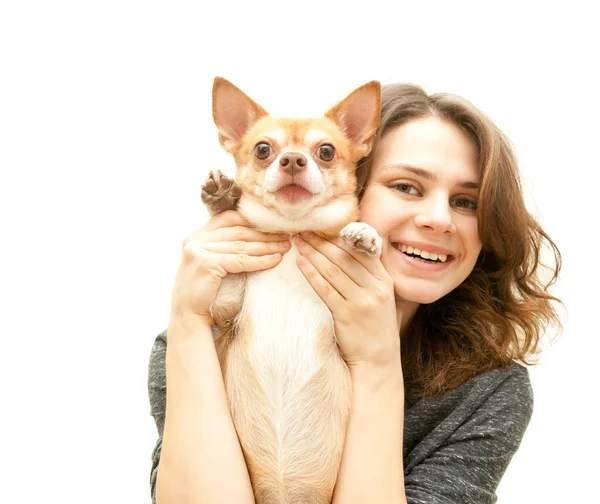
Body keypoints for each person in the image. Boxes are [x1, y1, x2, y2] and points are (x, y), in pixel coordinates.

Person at [147, 83, 562, 504]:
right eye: (406, 186)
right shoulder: (196, 341)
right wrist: (188, 320)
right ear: (352, 185)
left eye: (466, 202)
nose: (438, 219)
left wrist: (377, 363)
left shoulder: (488, 393)